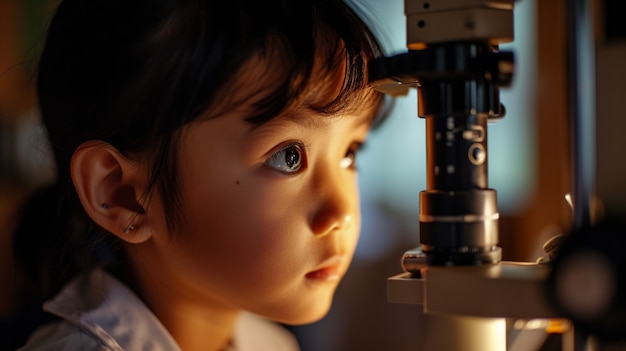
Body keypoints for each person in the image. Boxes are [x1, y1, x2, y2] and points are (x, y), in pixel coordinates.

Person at [10, 0, 387, 350]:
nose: (343, 213)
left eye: (348, 153)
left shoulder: (271, 344)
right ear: (123, 192)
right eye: (288, 157)